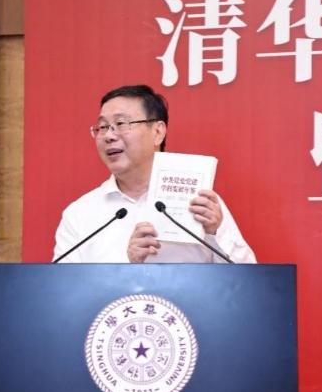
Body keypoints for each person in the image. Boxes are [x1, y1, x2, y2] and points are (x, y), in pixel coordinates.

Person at [53, 84, 256, 263]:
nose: (108, 136)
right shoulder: (79, 213)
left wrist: (215, 232)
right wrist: (127, 265)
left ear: (157, 132)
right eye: (103, 127)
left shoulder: (200, 202)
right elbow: (64, 287)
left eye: (121, 124)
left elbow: (246, 279)